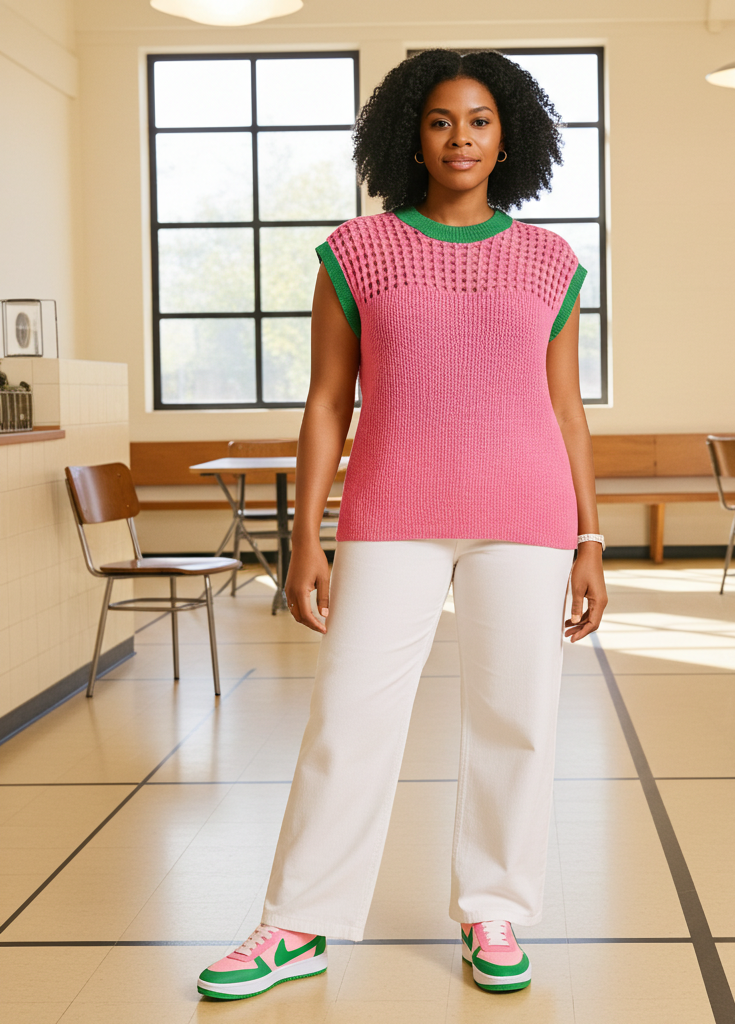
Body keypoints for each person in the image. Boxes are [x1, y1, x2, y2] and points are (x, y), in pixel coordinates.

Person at [197, 48, 607, 1001]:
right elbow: (326, 402)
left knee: (517, 719)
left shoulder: (551, 261)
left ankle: (492, 909)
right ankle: (297, 922)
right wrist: (306, 536)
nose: (461, 138)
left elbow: (568, 410)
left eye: (480, 121)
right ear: (410, 138)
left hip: (528, 516)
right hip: (390, 511)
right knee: (349, 715)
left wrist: (591, 539)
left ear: (508, 137)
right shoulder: (357, 252)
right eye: (440, 121)